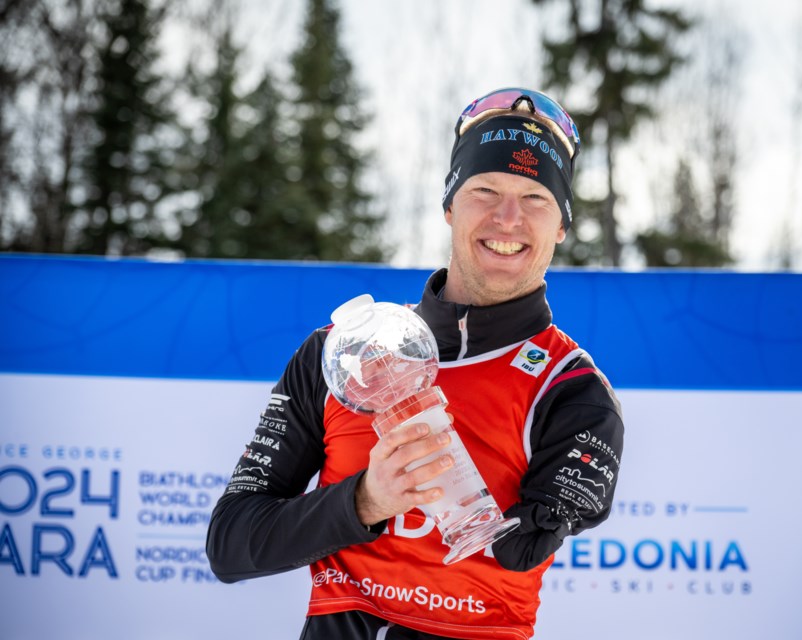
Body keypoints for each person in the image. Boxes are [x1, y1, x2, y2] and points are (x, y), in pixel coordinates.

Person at [206, 87, 624, 640]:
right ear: (450, 205)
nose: (507, 218)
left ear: (562, 227)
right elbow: (231, 546)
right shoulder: (345, 353)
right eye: (485, 189)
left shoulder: (572, 390)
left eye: (535, 199)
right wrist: (365, 500)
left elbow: (519, 553)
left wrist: (552, 516)